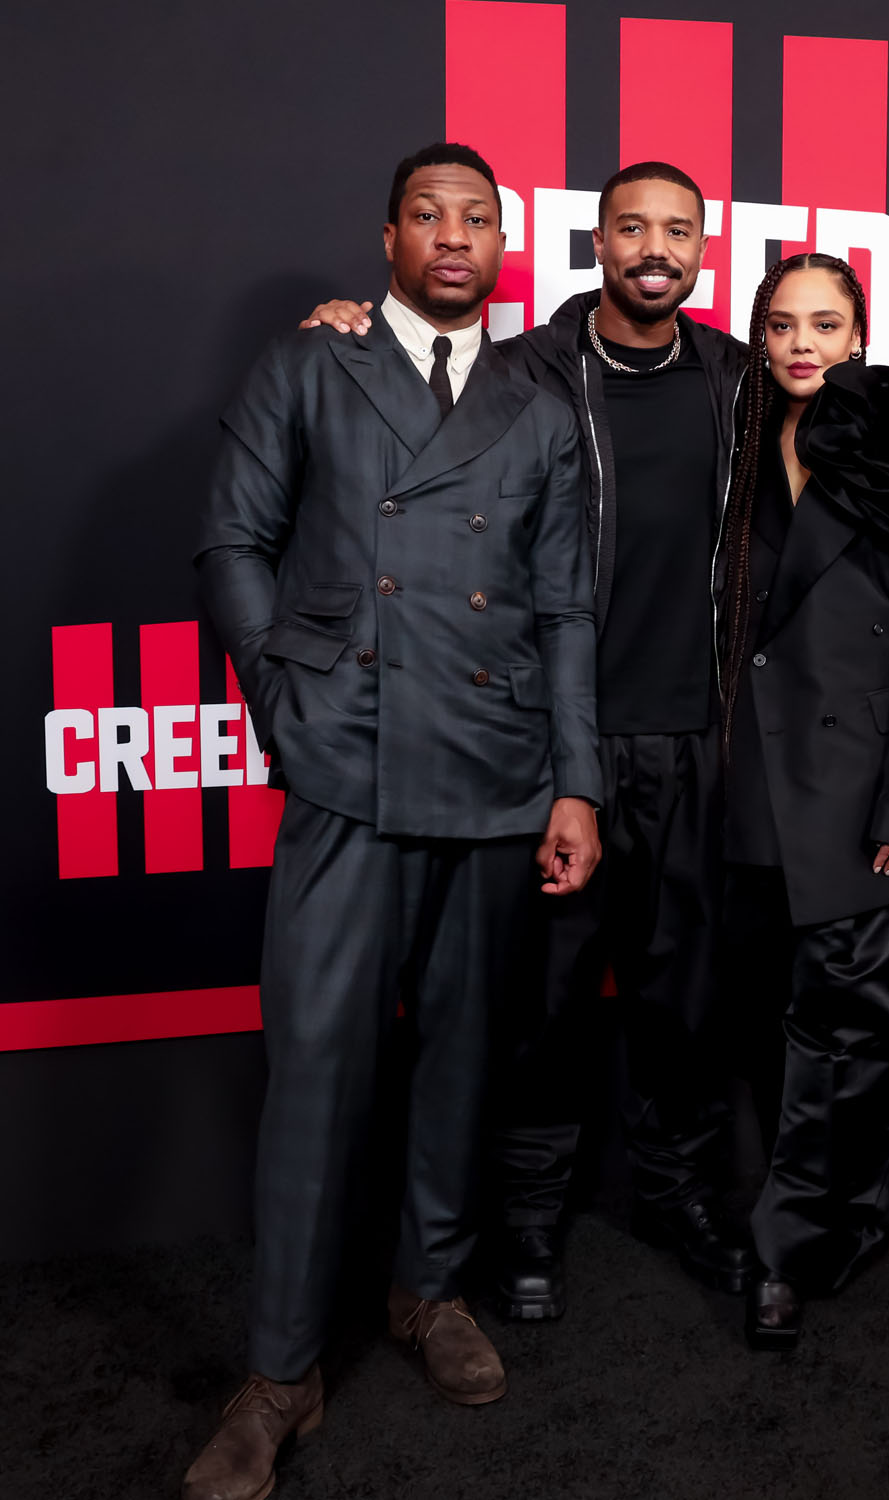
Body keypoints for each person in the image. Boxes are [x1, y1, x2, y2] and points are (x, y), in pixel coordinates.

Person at [184, 142, 602, 1500]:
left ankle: (428, 1290)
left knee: (462, 1057)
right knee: (315, 1066)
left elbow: (564, 608)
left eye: (477, 217)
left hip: (494, 771)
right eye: (429, 214)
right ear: (390, 238)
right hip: (346, 768)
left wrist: (577, 784)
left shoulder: (540, 403)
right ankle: (279, 1374)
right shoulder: (312, 363)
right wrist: (283, 695)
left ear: (504, 245)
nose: (454, 236)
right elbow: (232, 541)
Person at [303, 162, 755, 1320]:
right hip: (558, 749)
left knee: (683, 998)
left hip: (694, 742)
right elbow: (406, 390)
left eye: (678, 231)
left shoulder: (736, 380)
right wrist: (345, 328)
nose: (654, 249)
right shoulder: (524, 372)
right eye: (631, 228)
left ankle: (682, 1197)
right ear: (594, 243)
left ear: (702, 251)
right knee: (543, 1003)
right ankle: (529, 1218)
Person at [716, 253, 889, 1348]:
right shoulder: (730, 435)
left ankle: (791, 1254)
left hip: (866, 789)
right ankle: (774, 1223)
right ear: (758, 336)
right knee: (767, 1029)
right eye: (782, 324)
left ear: (859, 335)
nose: (802, 344)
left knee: (861, 1041)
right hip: (745, 783)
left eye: (824, 324)